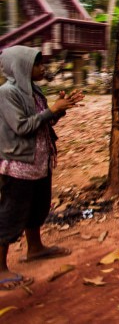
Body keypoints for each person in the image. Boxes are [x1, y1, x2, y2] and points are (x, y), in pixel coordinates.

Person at [0, 46, 83, 290]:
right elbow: (22, 127)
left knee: (38, 207)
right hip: (18, 164)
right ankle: (0, 268)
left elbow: (44, 121)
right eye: (37, 64)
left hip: (39, 162)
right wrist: (51, 110)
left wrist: (60, 108)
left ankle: (35, 248)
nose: (42, 68)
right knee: (11, 214)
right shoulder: (7, 93)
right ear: (22, 67)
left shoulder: (33, 91)